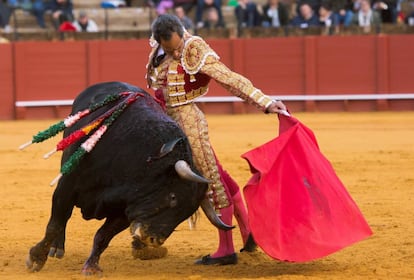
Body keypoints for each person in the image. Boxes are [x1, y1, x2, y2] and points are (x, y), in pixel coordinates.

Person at [146, 14, 286, 265]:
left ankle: (226, 250)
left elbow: (228, 78)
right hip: (166, 121)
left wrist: (265, 102)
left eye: (176, 45)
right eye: (168, 47)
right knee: (216, 173)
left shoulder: (194, 47)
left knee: (210, 180)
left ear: (181, 32)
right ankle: (248, 232)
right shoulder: (158, 50)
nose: (174, 51)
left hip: (189, 121)